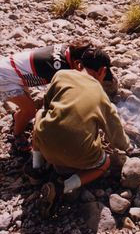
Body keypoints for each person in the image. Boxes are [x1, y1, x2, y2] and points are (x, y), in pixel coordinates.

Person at [27, 47, 130, 217]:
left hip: (45, 145)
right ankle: (62, 187)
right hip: (79, 157)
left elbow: (47, 105)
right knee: (104, 164)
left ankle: (36, 168)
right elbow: (116, 136)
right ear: (103, 71)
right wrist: (127, 146)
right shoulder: (100, 93)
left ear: (80, 64)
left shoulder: (61, 75)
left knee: (39, 115)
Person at [0, 41, 117, 151]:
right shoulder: (61, 70)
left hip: (12, 68)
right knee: (30, 111)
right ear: (77, 63)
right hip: (5, 78)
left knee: (27, 107)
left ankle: (18, 117)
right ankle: (17, 135)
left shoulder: (69, 51)